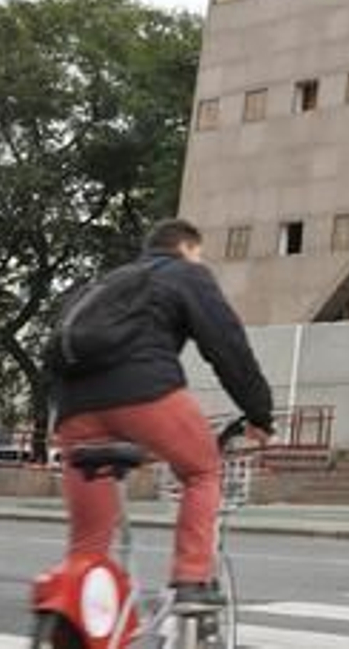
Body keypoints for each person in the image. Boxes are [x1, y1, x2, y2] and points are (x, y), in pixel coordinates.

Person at [51, 219, 274, 612]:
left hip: (74, 406)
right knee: (202, 470)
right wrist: (259, 413)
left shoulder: (107, 283)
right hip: (145, 391)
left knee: (87, 549)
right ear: (187, 248)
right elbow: (226, 345)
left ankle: (74, 613)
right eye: (199, 254)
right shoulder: (187, 274)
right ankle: (191, 578)